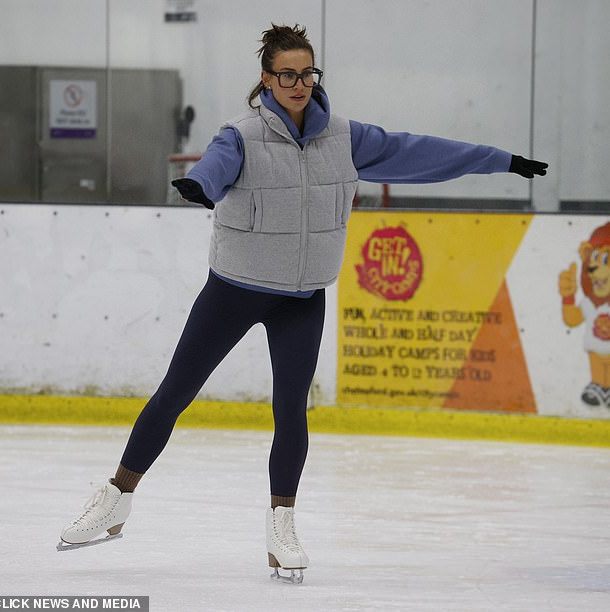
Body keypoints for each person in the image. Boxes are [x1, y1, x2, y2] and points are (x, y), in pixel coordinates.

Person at [59, 23, 548, 582]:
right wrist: (200, 186)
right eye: (287, 74)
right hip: (235, 289)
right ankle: (117, 495)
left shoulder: (344, 136)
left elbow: (419, 152)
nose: (298, 83)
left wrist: (500, 159)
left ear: (315, 77)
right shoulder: (240, 134)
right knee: (176, 392)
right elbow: (215, 167)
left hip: (301, 297)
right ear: (267, 78)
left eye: (306, 74)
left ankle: (281, 525)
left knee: (290, 410)